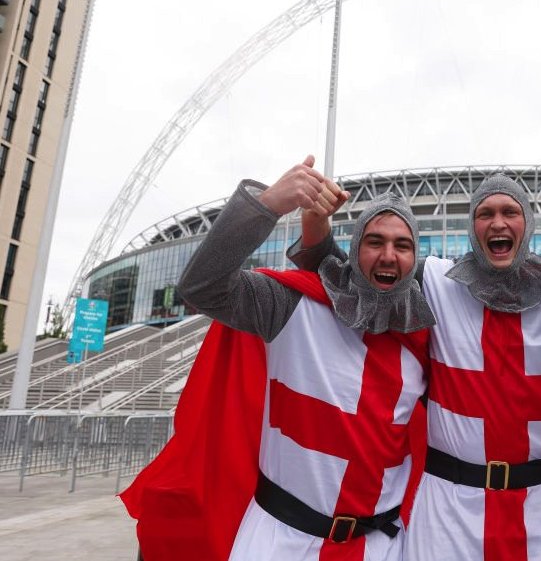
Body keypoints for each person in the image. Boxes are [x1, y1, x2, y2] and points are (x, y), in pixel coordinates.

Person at [121, 156, 435, 561]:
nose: (389, 255)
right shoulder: (291, 306)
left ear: (415, 260)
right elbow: (202, 288)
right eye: (375, 242)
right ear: (355, 252)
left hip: (382, 547)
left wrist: (317, 241)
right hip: (280, 542)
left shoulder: (424, 334)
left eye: (402, 245)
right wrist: (268, 205)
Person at [292, 173, 541, 561]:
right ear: (472, 225)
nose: (498, 223)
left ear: (527, 223)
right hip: (449, 512)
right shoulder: (433, 281)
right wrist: (315, 223)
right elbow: (353, 282)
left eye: (509, 212)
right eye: (485, 213)